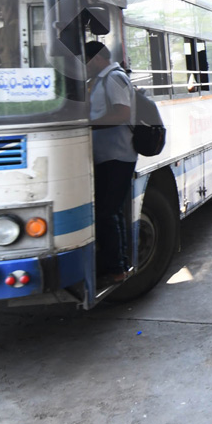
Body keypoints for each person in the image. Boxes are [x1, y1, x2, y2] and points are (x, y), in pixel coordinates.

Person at [85, 40, 138, 281]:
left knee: (108, 212)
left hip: (118, 155)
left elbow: (122, 113)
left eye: (86, 62)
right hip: (106, 155)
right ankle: (114, 264)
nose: (84, 67)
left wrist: (88, 125)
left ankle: (117, 268)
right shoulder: (99, 80)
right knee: (107, 212)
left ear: (97, 58)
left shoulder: (115, 78)